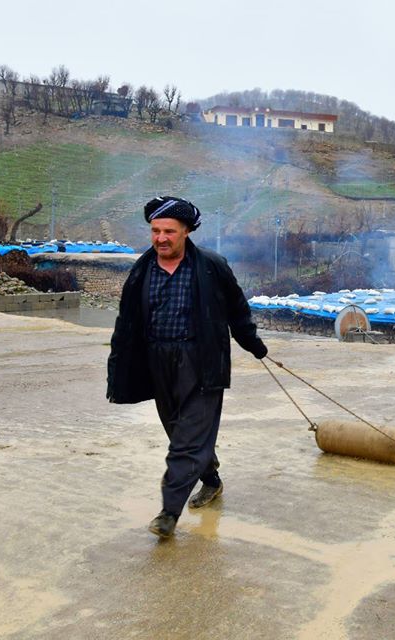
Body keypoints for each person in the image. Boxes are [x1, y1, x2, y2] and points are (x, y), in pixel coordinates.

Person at [107, 196, 268, 539]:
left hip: (201, 360)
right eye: (155, 231)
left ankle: (169, 512)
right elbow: (126, 323)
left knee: (187, 440)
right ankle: (211, 479)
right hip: (158, 362)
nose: (161, 238)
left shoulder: (211, 266)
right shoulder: (141, 270)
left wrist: (253, 344)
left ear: (186, 232)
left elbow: (237, 310)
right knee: (178, 430)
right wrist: (119, 366)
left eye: (169, 231)